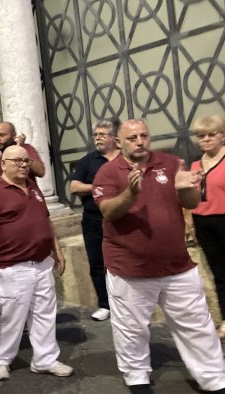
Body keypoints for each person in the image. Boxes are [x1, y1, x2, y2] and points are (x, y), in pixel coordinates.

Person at [92, 118, 225, 393]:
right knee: (132, 328)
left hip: (178, 266)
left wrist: (190, 187)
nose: (140, 141)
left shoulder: (169, 162)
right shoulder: (107, 173)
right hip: (130, 268)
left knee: (197, 324)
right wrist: (131, 192)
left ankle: (214, 379)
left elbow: (189, 203)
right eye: (132, 138)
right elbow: (109, 212)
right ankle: (137, 377)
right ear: (119, 142)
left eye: (144, 135)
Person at [0, 145, 73, 381]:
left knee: (44, 314)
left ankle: (45, 359)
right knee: (10, 317)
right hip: (11, 267)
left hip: (41, 264)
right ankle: (1, 359)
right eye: (17, 161)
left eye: (26, 161)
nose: (23, 165)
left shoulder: (34, 188)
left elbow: (46, 220)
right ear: (4, 163)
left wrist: (56, 250)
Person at [69, 119, 121, 322]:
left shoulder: (124, 159)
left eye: (102, 134)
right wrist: (99, 187)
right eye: (95, 135)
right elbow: (74, 187)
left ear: (114, 138)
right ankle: (105, 304)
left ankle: (125, 303)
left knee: (122, 261)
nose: (97, 138)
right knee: (97, 263)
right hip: (93, 220)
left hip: (121, 219)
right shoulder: (87, 161)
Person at [185, 115, 225, 338]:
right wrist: (189, 223)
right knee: (218, 274)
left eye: (212, 134)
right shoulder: (195, 164)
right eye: (201, 136)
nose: (207, 139)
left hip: (224, 220)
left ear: (222, 135)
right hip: (203, 223)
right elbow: (190, 198)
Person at [0, 121, 45, 188]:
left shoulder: (26, 148)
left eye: (2, 135)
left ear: (14, 136)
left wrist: (22, 152)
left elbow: (41, 172)